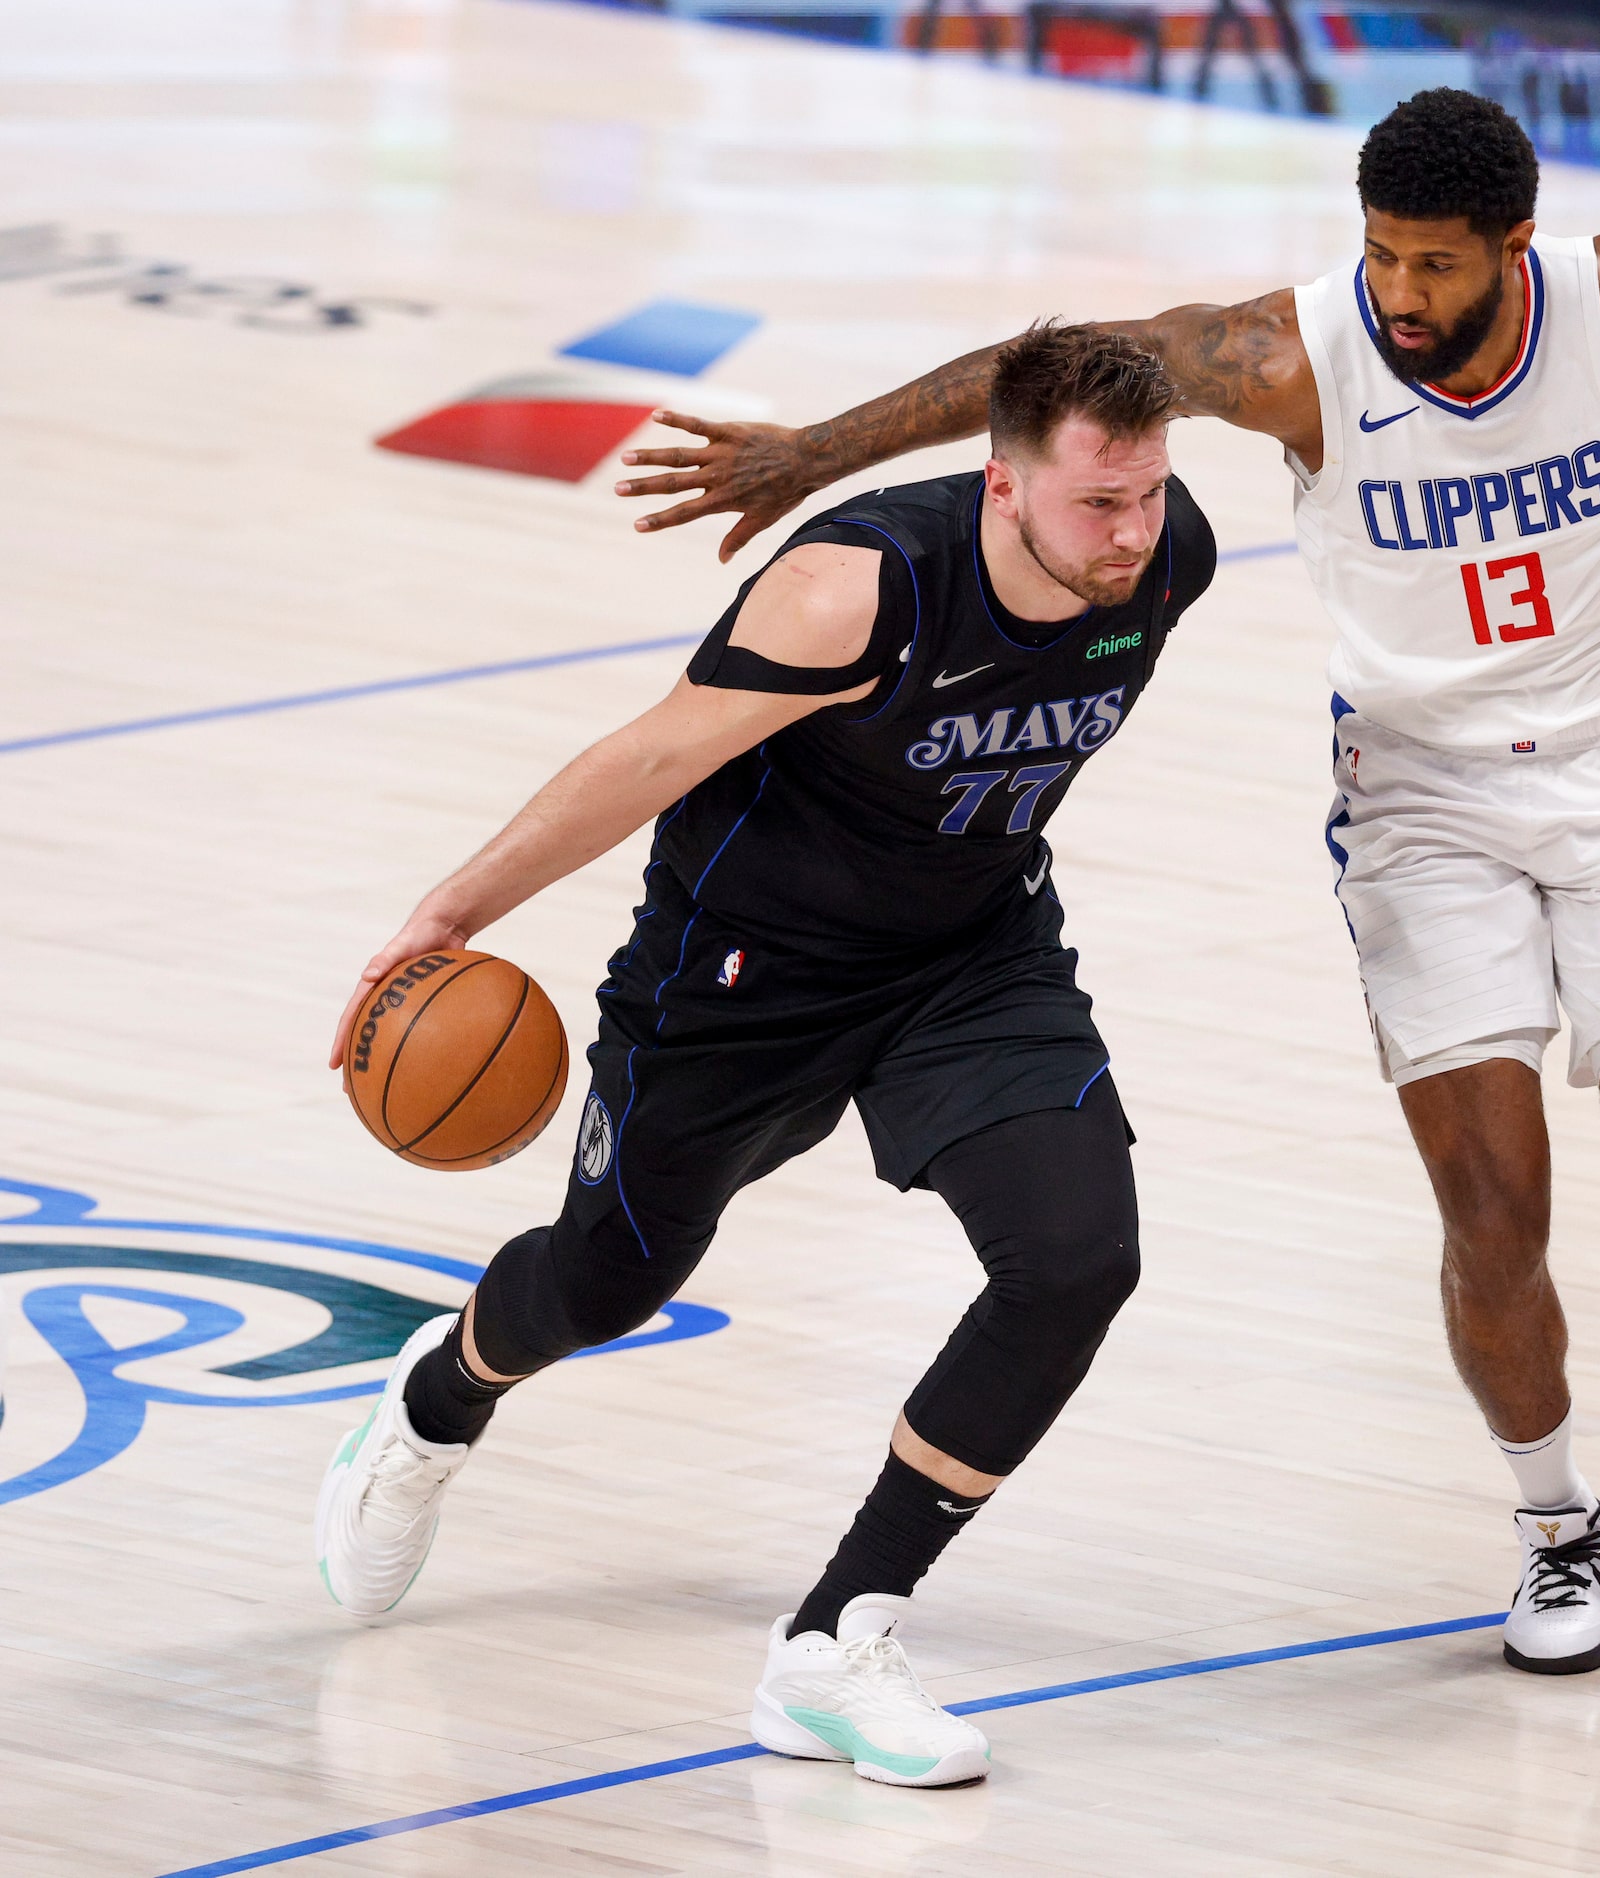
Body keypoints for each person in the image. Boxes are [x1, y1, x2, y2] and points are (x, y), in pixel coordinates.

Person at [613, 82, 1600, 1676]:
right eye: (1381, 255)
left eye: (1437, 267)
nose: (1398, 295)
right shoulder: (1297, 352)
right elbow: (1045, 376)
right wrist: (812, 454)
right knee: (1491, 1202)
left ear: (1518, 248)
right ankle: (1553, 1520)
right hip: (1426, 804)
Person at [316, 325, 1217, 1788]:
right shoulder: (849, 589)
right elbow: (649, 758)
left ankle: (835, 1639)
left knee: (1075, 1257)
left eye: (1149, 495)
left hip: (967, 959)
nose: (1131, 534)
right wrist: (449, 910)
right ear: (1001, 485)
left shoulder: (1175, 558)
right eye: (1095, 504)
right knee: (607, 1282)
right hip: (740, 976)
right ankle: (437, 1401)